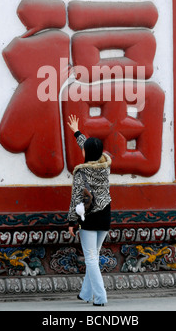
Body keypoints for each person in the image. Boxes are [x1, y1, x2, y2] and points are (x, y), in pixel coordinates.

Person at [67, 114, 112, 307]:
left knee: (91, 257)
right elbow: (91, 148)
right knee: (95, 254)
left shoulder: (81, 172)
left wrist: (71, 221)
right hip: (105, 215)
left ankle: (100, 297)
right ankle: (86, 293)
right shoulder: (105, 165)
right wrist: (76, 132)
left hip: (89, 217)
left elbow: (76, 198)